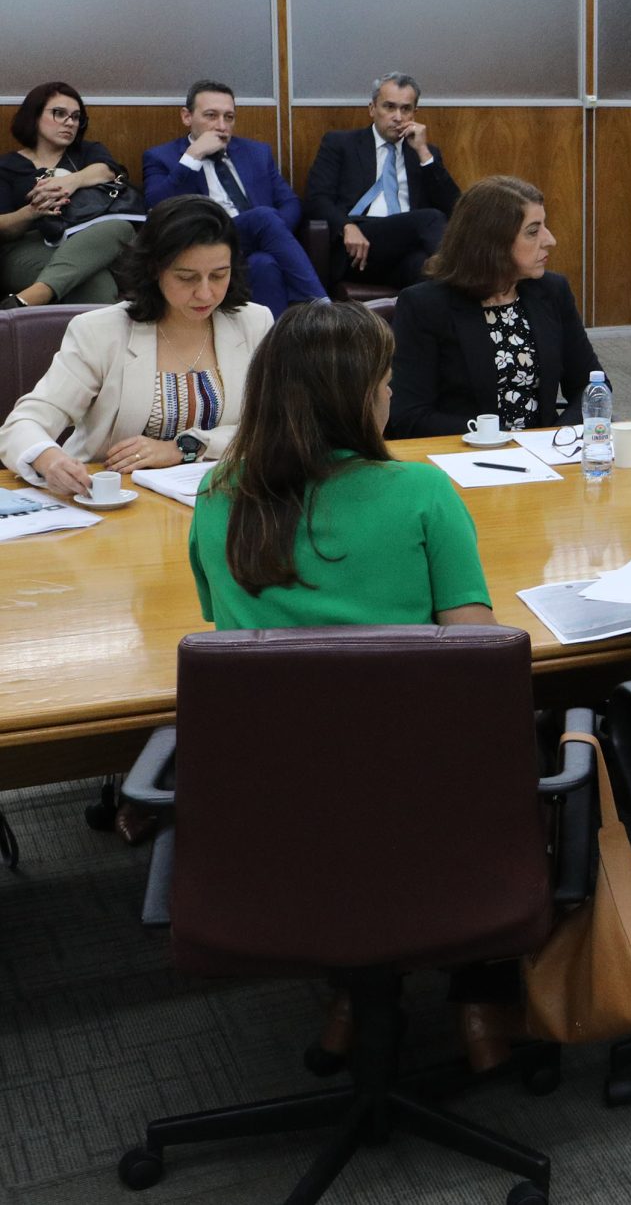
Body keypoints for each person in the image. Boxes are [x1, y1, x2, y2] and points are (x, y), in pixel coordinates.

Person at [186, 299, 512, 1069]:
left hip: (276, 803)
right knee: (540, 726)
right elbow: (481, 663)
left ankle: (350, 995)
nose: (392, 394)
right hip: (417, 789)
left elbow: (235, 642)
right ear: (356, 399)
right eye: (386, 381)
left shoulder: (216, 497)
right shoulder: (421, 494)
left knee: (336, 765)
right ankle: (480, 1001)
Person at [2, 198, 273, 497]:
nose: (205, 292)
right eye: (187, 277)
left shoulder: (253, 322)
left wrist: (184, 447)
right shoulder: (100, 331)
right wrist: (48, 458)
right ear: (154, 269)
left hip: (219, 497)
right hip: (114, 498)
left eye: (219, 275)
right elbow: (23, 423)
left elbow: (276, 427)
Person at [388, 176, 602, 439]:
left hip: (544, 456)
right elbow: (408, 416)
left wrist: (555, 437)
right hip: (464, 457)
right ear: (494, 242)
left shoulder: (552, 291)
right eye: (533, 231)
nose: (550, 240)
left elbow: (593, 387)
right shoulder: (426, 305)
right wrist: (498, 438)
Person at [141, 78, 328, 317]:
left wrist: (273, 232)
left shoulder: (256, 152)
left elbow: (289, 202)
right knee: (264, 219)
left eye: (229, 117)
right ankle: (321, 305)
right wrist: (193, 155)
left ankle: (272, 348)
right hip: (199, 241)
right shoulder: (161, 157)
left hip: (252, 241)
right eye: (211, 116)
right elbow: (155, 205)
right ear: (187, 117)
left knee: (264, 263)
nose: (221, 125)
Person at [301, 72, 461, 289]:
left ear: (415, 113)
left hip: (406, 250)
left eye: (405, 109)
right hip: (358, 245)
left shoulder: (425, 153)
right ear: (372, 109)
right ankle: (469, 277)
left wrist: (423, 152)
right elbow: (316, 199)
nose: (398, 117)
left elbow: (455, 208)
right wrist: (346, 226)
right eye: (389, 107)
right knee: (431, 219)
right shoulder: (340, 144)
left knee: (425, 270)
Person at [1, 81, 142, 310]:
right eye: (59, 114)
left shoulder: (87, 151)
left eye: (76, 117)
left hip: (89, 239)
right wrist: (33, 211)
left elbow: (107, 170)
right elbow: (3, 226)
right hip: (30, 247)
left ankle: (29, 298)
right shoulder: (7, 166)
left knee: (121, 227)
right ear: (34, 116)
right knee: (95, 282)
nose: (70, 122)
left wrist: (70, 181)